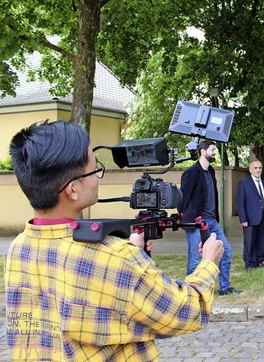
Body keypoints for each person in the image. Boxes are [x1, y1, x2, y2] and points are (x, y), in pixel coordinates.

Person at [4, 120, 224, 361]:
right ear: (73, 190)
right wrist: (209, 263)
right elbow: (184, 311)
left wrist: (132, 253)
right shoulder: (114, 258)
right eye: (94, 168)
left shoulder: (18, 249)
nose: (98, 175)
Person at [178, 139, 241, 295]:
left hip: (212, 221)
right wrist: (185, 221)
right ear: (202, 151)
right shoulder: (191, 173)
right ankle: (192, 293)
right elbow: (182, 199)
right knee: (195, 258)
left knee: (226, 251)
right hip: (196, 222)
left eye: (215, 150)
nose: (215, 153)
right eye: (213, 149)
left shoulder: (211, 171)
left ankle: (225, 288)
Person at [237, 160, 264, 271]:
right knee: (250, 241)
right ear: (250, 170)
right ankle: (249, 263)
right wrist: (243, 218)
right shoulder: (244, 183)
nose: (258, 170)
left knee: (262, 239)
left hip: (263, 215)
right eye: (255, 168)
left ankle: (259, 260)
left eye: (260, 168)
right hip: (250, 217)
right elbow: (240, 202)